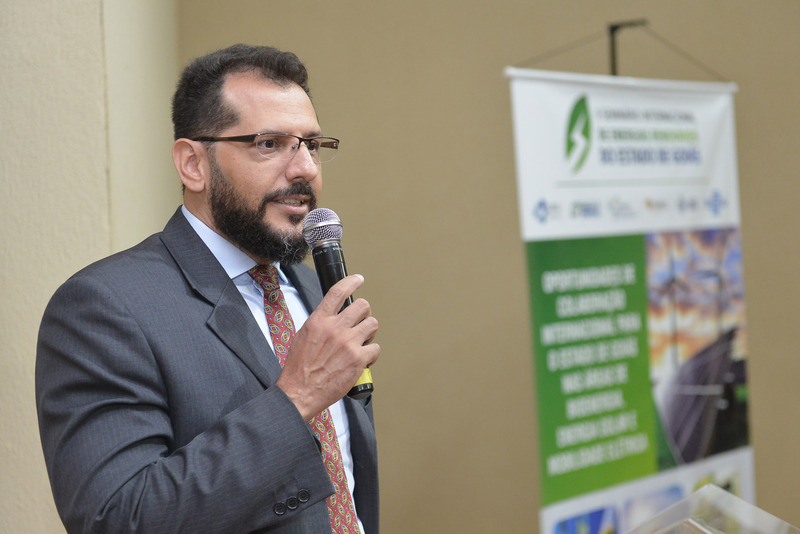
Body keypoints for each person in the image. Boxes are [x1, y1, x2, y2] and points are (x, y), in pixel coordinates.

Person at [35, 44, 380, 534]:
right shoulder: (103, 308)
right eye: (269, 143)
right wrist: (298, 396)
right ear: (193, 164)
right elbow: (117, 518)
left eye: (311, 144)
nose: (304, 167)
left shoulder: (310, 286)